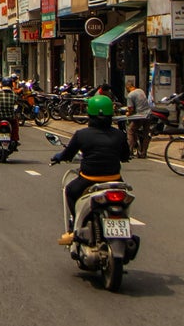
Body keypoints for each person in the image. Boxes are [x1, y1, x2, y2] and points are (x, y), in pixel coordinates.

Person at [52, 93, 130, 244]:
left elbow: (67, 154)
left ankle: (75, 228)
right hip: (115, 180)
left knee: (70, 191)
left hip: (89, 179)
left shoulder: (81, 135)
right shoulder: (119, 135)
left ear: (90, 115)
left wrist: (59, 157)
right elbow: (125, 156)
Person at [124, 79, 153, 160]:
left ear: (127, 87)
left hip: (140, 116)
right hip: (148, 114)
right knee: (145, 133)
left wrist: (128, 113)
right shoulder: (141, 90)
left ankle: (130, 151)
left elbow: (130, 109)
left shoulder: (130, 95)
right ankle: (143, 152)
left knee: (130, 130)